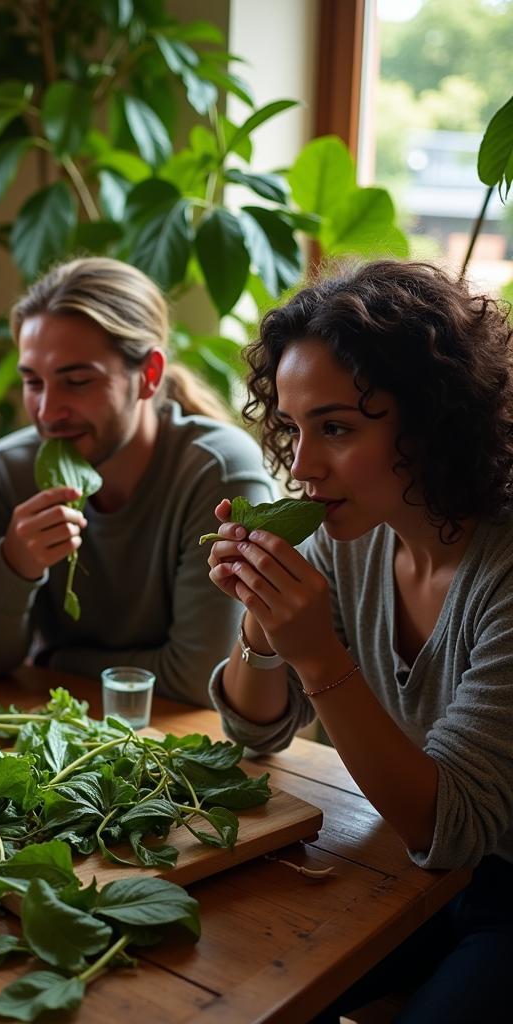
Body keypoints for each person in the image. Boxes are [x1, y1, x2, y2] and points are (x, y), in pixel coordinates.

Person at [205, 260, 513, 1020]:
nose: (303, 467)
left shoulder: (503, 572)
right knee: (238, 986)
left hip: (496, 886)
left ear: (435, 419)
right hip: (421, 873)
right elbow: (253, 727)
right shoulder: (352, 532)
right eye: (293, 427)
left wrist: (316, 655)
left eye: (336, 428)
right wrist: (261, 615)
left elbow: (453, 828)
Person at [0, 257, 276, 704]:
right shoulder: (9, 468)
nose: (47, 412)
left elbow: (201, 678)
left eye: (77, 381)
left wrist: (56, 661)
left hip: (183, 742)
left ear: (148, 376)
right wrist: (15, 564)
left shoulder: (217, 473)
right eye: (33, 382)